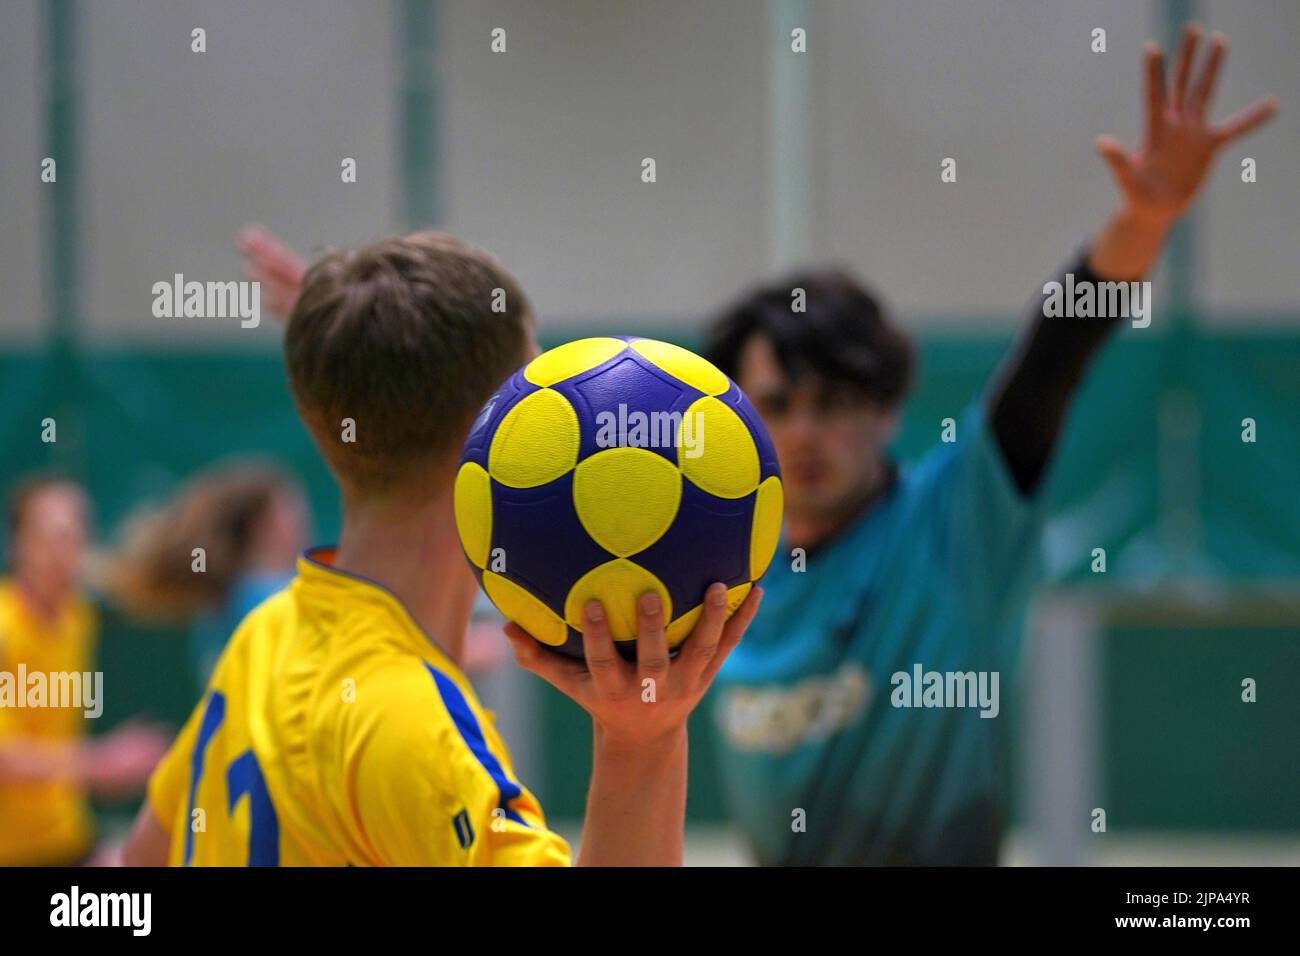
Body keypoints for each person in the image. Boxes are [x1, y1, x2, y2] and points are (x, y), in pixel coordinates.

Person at [701, 25, 1278, 865]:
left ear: (890, 410)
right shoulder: (715, 564)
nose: (802, 433)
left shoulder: (954, 525)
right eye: (777, 405)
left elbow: (1052, 359)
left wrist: (1141, 221)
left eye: (834, 403)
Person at [123, 231, 760, 866]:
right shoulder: (420, 740)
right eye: (536, 393)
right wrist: (642, 744)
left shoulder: (264, 639)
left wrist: (351, 355)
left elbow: (141, 861)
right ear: (497, 435)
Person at [0, 476, 169, 866]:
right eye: (53, 535)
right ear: (18, 544)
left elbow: (135, 579)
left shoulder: (80, 616)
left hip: (68, 837)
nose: (66, 547)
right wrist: (101, 762)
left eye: (78, 531)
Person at [107, 460, 309, 690]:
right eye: (291, 509)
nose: (303, 518)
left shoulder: (222, 598)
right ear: (261, 525)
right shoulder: (267, 602)